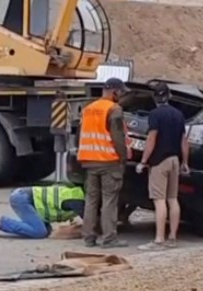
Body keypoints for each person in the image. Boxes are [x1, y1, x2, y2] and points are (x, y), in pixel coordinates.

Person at [77, 77, 130, 248]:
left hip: (89, 160)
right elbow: (118, 137)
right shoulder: (114, 109)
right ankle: (109, 238)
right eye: (121, 92)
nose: (121, 96)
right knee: (109, 200)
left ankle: (89, 237)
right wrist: (123, 157)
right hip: (108, 161)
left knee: (91, 200)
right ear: (114, 91)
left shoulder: (88, 109)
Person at [136, 80, 189, 247]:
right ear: (170, 96)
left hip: (159, 161)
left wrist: (143, 161)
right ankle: (172, 238)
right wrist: (185, 162)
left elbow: (152, 139)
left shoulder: (155, 115)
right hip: (175, 160)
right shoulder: (179, 115)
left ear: (155, 98)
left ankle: (159, 239)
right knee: (173, 199)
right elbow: (184, 141)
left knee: (159, 200)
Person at [0, 183, 86, 239]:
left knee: (47, 231)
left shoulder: (78, 194)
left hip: (28, 199)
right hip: (22, 198)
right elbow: (88, 219)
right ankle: (1, 222)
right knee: (39, 232)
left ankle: (12, 222)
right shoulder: (77, 201)